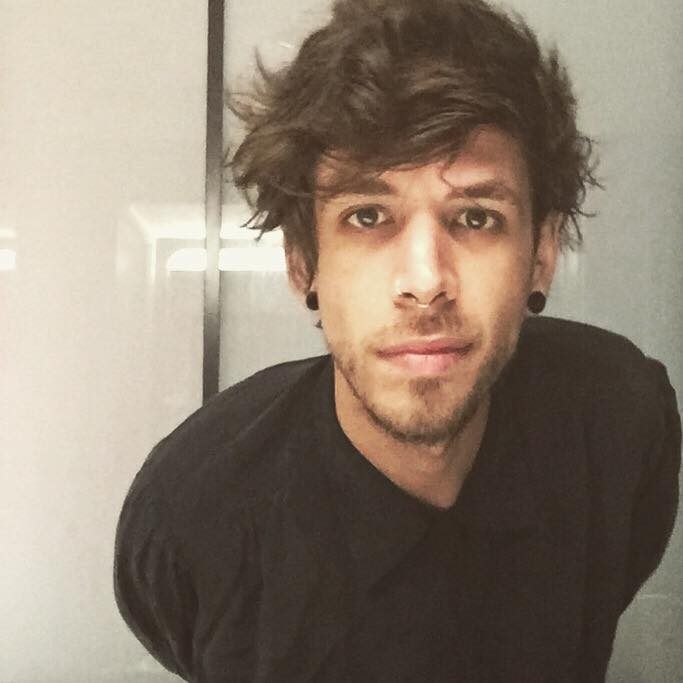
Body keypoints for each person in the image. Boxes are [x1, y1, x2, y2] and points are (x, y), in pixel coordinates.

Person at [114, 0, 681, 680]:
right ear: (303, 262)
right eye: (367, 216)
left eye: (476, 217)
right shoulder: (191, 518)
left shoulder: (619, 424)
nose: (424, 282)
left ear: (542, 253)